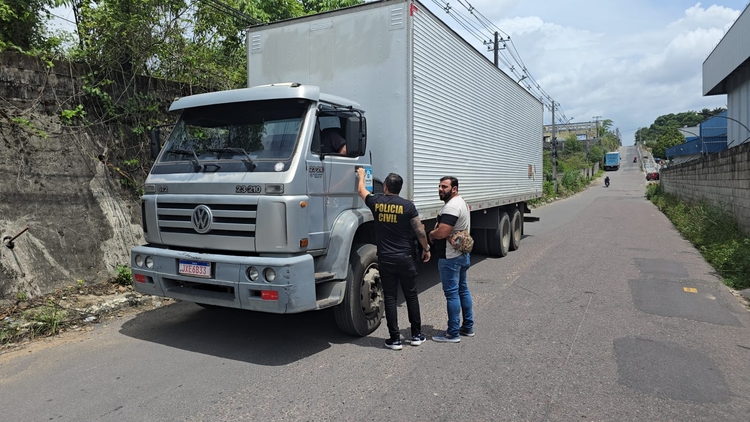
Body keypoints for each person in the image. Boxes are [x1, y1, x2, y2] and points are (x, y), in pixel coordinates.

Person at [356, 167, 431, 350]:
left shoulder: (377, 202)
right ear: (399, 188)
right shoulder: (408, 206)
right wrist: (426, 248)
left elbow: (361, 191)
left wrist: (361, 176)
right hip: (406, 257)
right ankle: (416, 336)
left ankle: (395, 339)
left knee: (390, 298)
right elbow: (419, 230)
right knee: (411, 296)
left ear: (386, 187)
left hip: (386, 258)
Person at [428, 176, 474, 343]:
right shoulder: (459, 202)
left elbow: (442, 232)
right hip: (461, 255)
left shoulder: (452, 206)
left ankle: (453, 333)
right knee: (462, 290)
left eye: (445, 187)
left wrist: (431, 234)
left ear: (454, 189)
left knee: (452, 294)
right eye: (439, 186)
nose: (441, 189)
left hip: (450, 257)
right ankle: (468, 327)